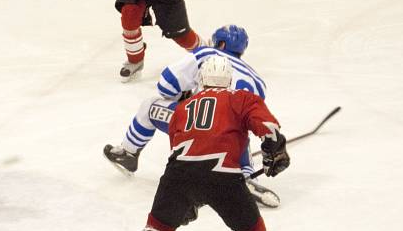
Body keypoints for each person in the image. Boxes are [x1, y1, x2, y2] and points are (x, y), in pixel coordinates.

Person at [121, 55, 292, 231]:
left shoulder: (183, 107)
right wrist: (274, 149)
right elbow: (267, 127)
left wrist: (188, 199)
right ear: (229, 80)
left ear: (201, 80)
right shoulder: (241, 98)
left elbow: (178, 148)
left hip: (177, 174)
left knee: (157, 226)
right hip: (223, 176)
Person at [103, 24, 277, 206]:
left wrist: (184, 96)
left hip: (196, 129)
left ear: (222, 44)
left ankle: (128, 153)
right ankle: (246, 175)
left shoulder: (208, 54)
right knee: (238, 129)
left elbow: (166, 85)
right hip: (229, 140)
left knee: (149, 105)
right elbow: (251, 120)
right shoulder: (258, 82)